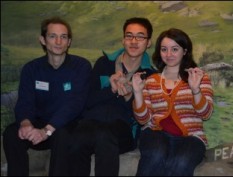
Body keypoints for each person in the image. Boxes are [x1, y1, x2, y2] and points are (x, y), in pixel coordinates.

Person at [2, 16, 92, 176]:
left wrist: (47, 130)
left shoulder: (81, 66)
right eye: (53, 36)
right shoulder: (31, 69)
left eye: (63, 37)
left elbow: (75, 104)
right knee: (11, 133)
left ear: (69, 42)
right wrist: (25, 123)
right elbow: (25, 101)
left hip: (68, 125)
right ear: (43, 40)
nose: (58, 42)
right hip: (39, 123)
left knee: (62, 134)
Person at [68, 17, 155, 176]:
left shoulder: (151, 75)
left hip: (123, 129)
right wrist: (111, 89)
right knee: (77, 137)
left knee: (105, 135)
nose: (134, 41)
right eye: (129, 36)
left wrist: (130, 96)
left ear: (148, 42)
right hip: (91, 122)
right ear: (123, 40)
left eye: (140, 36)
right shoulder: (104, 63)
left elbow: (145, 117)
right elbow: (87, 101)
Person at [132, 28, 214, 176]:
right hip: (155, 133)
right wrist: (137, 93)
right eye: (164, 49)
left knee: (181, 162)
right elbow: (143, 120)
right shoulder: (151, 80)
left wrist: (196, 90)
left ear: (185, 51)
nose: (169, 54)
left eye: (175, 49)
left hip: (191, 137)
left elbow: (206, 114)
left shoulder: (200, 77)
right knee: (155, 154)